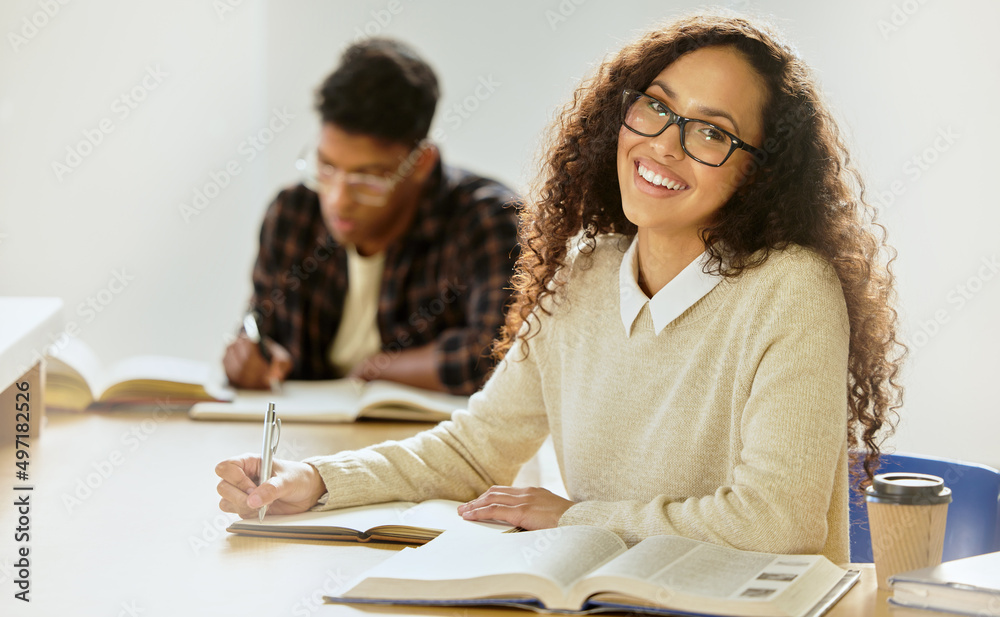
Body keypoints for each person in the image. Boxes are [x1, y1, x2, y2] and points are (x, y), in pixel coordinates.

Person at [216, 15, 904, 564]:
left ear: (760, 173)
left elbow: (775, 523)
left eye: (711, 133)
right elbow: (469, 450)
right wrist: (315, 479)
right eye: (656, 108)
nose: (664, 145)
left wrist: (574, 516)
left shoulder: (793, 290)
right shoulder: (584, 274)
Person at [222, 38, 520, 395]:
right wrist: (250, 359)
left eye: (368, 179)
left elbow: (498, 355)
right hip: (301, 443)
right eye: (327, 167)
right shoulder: (293, 214)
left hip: (426, 445)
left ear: (421, 163)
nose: (338, 200)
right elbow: (260, 329)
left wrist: (377, 370)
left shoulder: (487, 220)